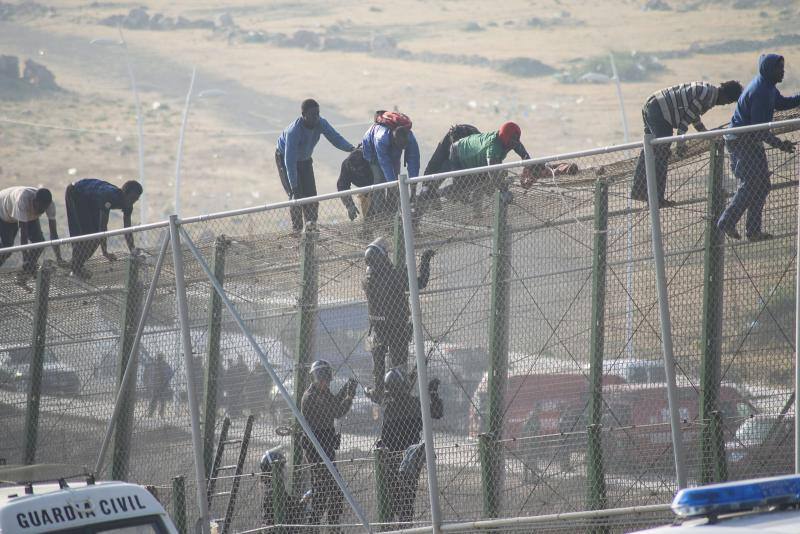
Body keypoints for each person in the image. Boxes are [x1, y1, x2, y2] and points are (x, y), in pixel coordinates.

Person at [717, 54, 800, 241]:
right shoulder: (761, 91)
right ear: (769, 70)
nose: (783, 71)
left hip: (750, 140)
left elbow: (782, 103)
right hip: (740, 141)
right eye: (779, 68)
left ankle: (753, 231)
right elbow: (758, 130)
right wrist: (780, 145)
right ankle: (726, 221)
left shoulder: (768, 86)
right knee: (751, 183)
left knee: (762, 185)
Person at [630, 80, 743, 207]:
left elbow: (692, 116)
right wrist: (680, 145)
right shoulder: (706, 96)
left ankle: (639, 189)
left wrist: (704, 133)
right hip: (660, 110)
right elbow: (684, 122)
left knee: (649, 149)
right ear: (725, 96)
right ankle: (656, 198)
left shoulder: (707, 90)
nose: (723, 105)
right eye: (727, 102)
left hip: (651, 104)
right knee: (662, 153)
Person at [362, 237, 435, 403]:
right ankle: (400, 392)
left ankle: (379, 391)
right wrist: (424, 260)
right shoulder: (393, 277)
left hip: (378, 328)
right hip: (397, 327)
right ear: (381, 259)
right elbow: (421, 283)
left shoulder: (366, 280)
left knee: (378, 363)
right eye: (385, 255)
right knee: (399, 364)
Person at [275, 99, 355, 232]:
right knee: (296, 196)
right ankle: (297, 230)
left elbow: (335, 138)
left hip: (305, 160)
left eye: (318, 113)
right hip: (285, 159)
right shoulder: (293, 132)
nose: (316, 117)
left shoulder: (321, 123)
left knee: (312, 195)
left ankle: (311, 227)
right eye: (312, 115)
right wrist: (294, 186)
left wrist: (351, 148)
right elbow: (289, 162)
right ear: (303, 115)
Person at [377, 368, 443, 527]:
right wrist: (432, 394)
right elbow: (437, 412)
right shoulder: (413, 403)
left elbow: (385, 437)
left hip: (393, 458)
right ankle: (404, 526)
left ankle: (397, 526)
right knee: (406, 497)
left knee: (395, 498)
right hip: (411, 457)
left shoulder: (389, 407)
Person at [300, 360, 357, 531]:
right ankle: (324, 526)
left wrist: (346, 389)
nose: (326, 384)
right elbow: (337, 411)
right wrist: (349, 397)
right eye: (324, 381)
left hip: (326, 448)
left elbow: (333, 403)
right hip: (316, 450)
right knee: (329, 489)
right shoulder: (312, 397)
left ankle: (327, 525)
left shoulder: (322, 393)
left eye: (328, 381)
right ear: (317, 380)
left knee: (325, 489)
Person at [65, 178, 142, 279]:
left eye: (136, 199)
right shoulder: (109, 196)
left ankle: (76, 265)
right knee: (89, 236)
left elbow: (127, 230)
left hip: (91, 200)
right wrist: (105, 252)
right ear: (124, 193)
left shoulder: (128, 205)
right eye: (132, 198)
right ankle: (75, 268)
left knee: (94, 238)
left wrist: (133, 251)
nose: (133, 202)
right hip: (76, 192)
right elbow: (103, 228)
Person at [0, 186, 67, 283]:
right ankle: (26, 266)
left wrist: (59, 257)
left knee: (39, 243)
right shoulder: (23, 200)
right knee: (7, 248)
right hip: (4, 212)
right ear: (34, 201)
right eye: (39, 207)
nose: (41, 211)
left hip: (24, 213)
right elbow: (24, 234)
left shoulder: (50, 204)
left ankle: (25, 272)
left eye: (44, 209)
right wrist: (25, 259)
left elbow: (53, 233)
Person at [361, 111, 421, 216]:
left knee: (396, 179)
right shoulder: (381, 139)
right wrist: (393, 187)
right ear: (394, 141)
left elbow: (414, 160)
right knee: (380, 179)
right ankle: (379, 212)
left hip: (392, 151)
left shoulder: (410, 138)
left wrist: (413, 185)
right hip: (372, 150)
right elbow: (385, 164)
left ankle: (392, 209)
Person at [415, 124, 480, 209]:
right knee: (433, 181)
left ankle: (476, 210)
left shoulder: (476, 142)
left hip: (471, 161)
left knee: (473, 183)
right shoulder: (446, 142)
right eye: (454, 146)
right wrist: (426, 186)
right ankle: (429, 197)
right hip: (451, 159)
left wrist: (461, 187)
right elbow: (433, 164)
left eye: (457, 147)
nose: (455, 149)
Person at [335, 145, 374, 223]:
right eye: (354, 169)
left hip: (379, 186)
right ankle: (367, 228)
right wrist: (349, 205)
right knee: (367, 219)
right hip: (364, 190)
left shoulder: (372, 159)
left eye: (359, 169)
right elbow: (342, 186)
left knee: (381, 211)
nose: (357, 171)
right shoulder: (347, 165)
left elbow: (382, 178)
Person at [145, 353, 172, 419]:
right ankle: (157, 413)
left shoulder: (153, 365)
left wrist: (148, 383)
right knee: (159, 400)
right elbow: (170, 374)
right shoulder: (163, 365)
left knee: (156, 399)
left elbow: (148, 375)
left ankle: (152, 413)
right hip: (160, 385)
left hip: (157, 385)